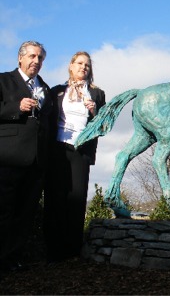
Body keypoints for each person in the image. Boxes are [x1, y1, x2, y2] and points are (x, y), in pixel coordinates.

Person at [44, 51, 105, 263]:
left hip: (81, 150)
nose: (83, 68)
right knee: (56, 197)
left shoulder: (97, 94)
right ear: (71, 66)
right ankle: (52, 250)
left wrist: (95, 112)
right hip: (58, 149)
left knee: (77, 199)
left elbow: (105, 126)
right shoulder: (57, 92)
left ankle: (72, 251)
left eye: (87, 65)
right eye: (79, 63)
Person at [0, 41, 52, 272]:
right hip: (7, 158)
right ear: (20, 58)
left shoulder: (45, 88)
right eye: (32, 56)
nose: (36, 61)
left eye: (40, 58)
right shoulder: (3, 80)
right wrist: (15, 107)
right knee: (3, 211)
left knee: (25, 214)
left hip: (36, 162)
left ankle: (13, 259)